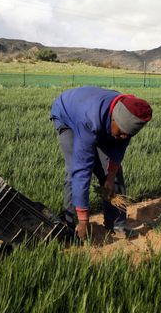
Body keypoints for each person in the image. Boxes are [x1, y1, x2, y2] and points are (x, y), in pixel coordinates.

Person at [50, 86, 152, 240]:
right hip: (67, 114)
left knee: (114, 172)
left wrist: (110, 177)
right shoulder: (89, 120)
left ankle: (116, 224)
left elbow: (118, 151)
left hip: (96, 113)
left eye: (127, 135)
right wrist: (84, 219)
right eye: (120, 132)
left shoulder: (127, 115)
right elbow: (82, 169)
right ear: (113, 119)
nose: (123, 137)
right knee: (74, 171)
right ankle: (72, 226)